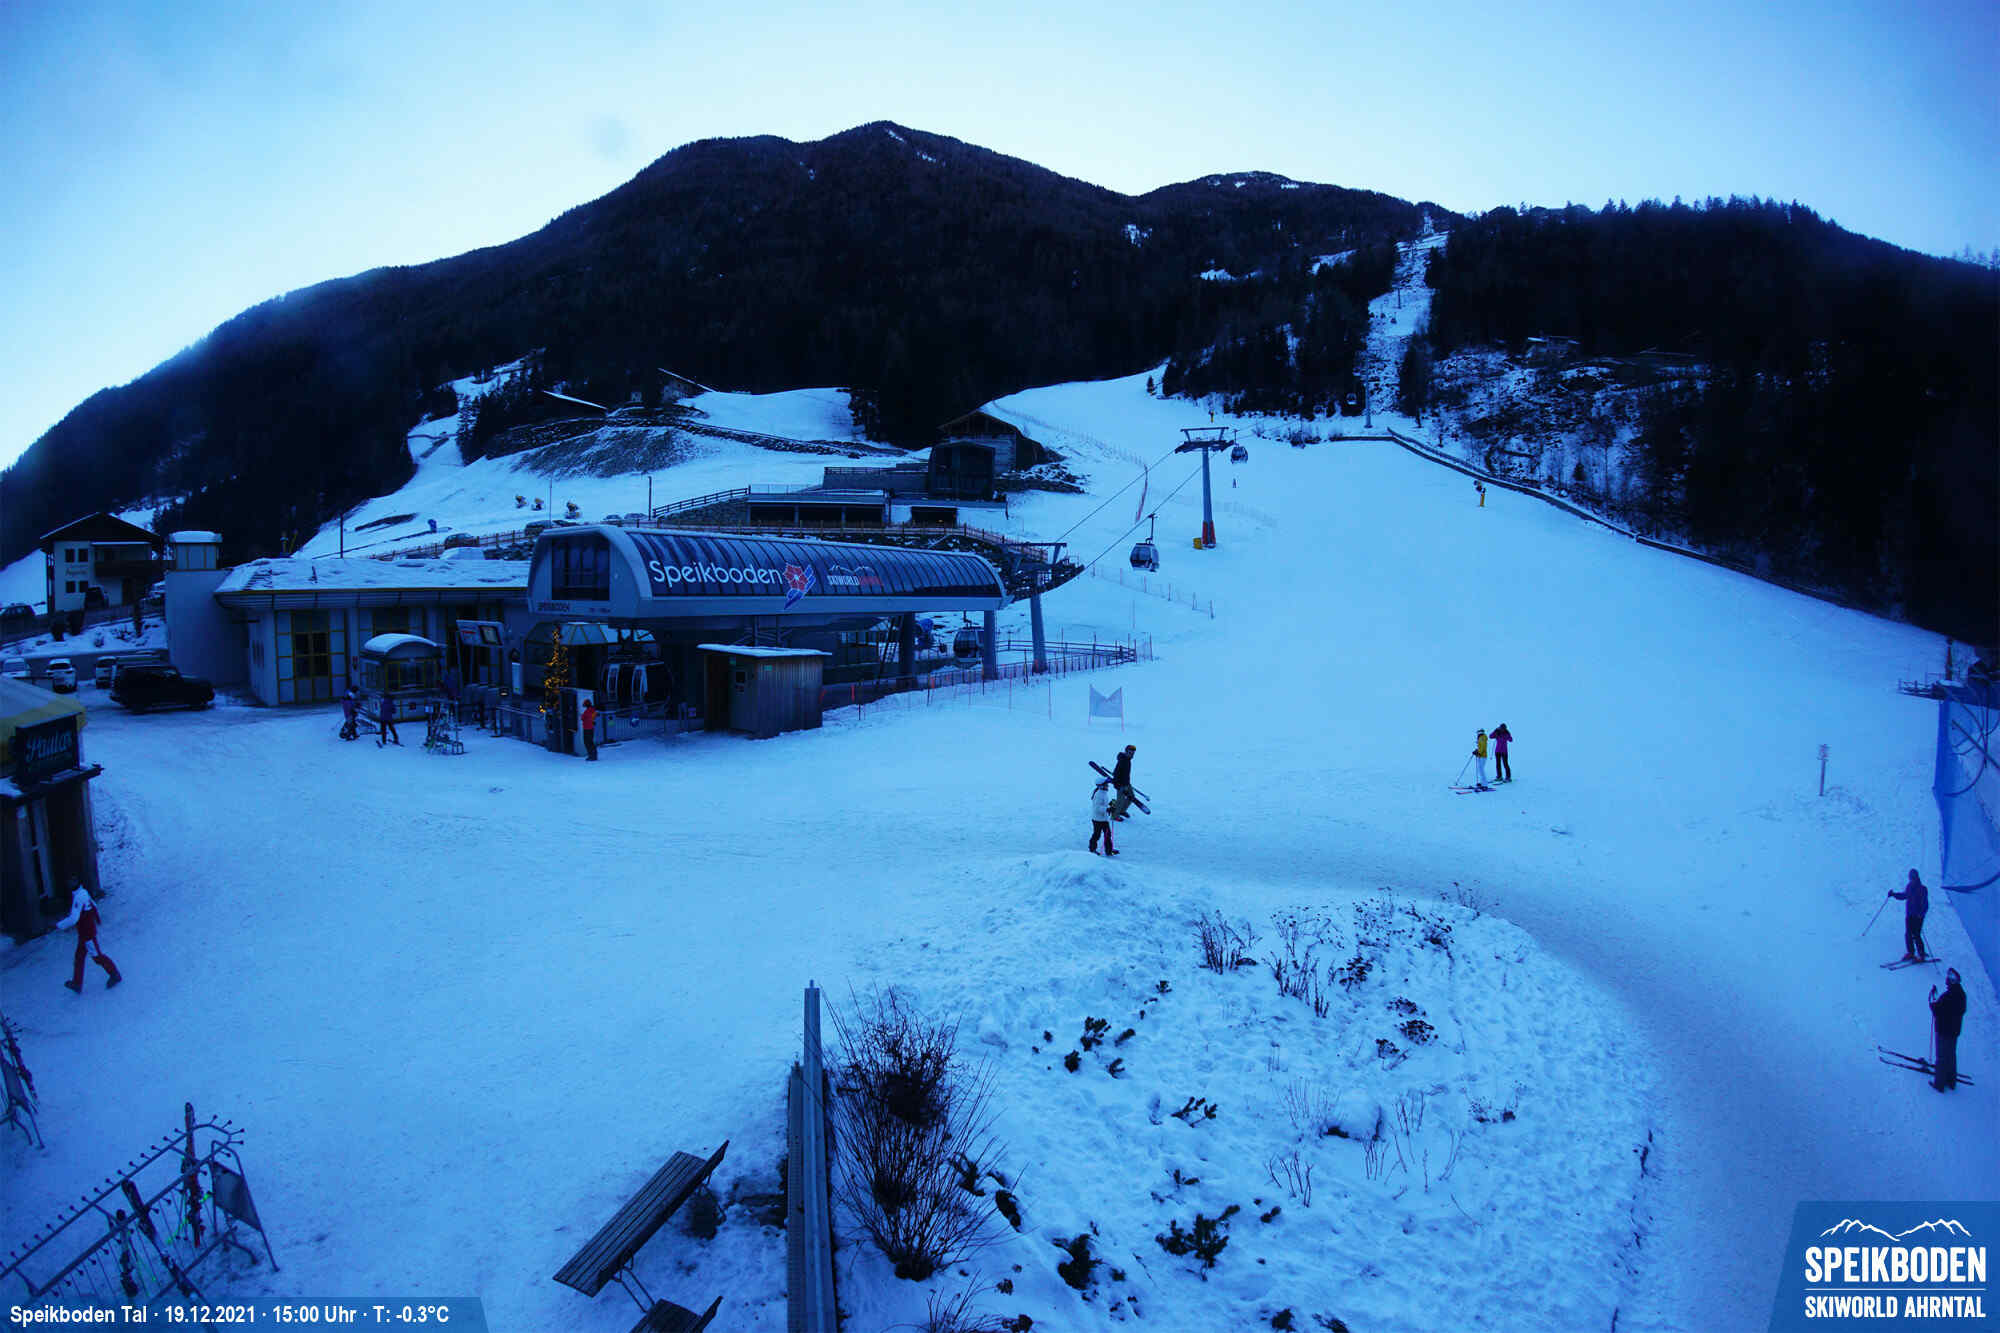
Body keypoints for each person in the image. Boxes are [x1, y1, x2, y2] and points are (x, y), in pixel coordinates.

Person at [55, 881, 121, 993]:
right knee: (79, 957)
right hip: (85, 933)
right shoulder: (83, 892)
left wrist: (59, 925)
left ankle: (114, 974)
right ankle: (77, 983)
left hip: (87, 933)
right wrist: (97, 918)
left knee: (97, 957)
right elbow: (93, 905)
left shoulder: (78, 897)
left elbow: (74, 918)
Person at [1930, 968, 1967, 1091]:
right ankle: (1951, 1081)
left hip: (1944, 1030)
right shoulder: (1961, 994)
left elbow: (1938, 1011)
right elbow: (1958, 1010)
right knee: (1951, 1055)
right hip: (1954, 1031)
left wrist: (1933, 1005)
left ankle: (1939, 1084)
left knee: (1942, 1056)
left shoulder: (1948, 996)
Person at [1889, 869, 1930, 961]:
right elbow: (1904, 896)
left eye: (1913, 877)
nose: (1911, 879)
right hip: (1909, 915)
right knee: (1908, 934)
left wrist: (1921, 914)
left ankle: (1921, 954)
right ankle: (1910, 953)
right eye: (1910, 877)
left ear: (1916, 877)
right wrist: (1893, 894)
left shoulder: (1922, 889)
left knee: (1916, 934)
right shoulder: (1909, 887)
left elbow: (1925, 904)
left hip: (1918, 916)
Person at [1109, 744, 1138, 819]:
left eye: (1133, 753)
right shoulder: (1122, 760)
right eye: (1130, 752)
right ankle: (1115, 816)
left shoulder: (1128, 760)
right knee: (1120, 801)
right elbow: (1116, 773)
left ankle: (1122, 811)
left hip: (1127, 783)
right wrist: (1117, 785)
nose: (1132, 754)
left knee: (1131, 797)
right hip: (1120, 784)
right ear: (1126, 752)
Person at [1089, 781, 1118, 856]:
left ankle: (1109, 850)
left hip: (1104, 819)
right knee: (1097, 834)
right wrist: (1107, 809)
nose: (1107, 786)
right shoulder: (1099, 795)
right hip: (1097, 819)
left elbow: (1103, 804)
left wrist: (1110, 805)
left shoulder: (1103, 793)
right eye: (1106, 785)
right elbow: (1097, 808)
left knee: (1107, 835)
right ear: (1101, 786)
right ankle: (1092, 849)